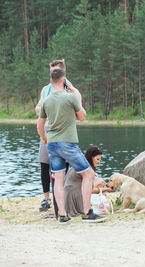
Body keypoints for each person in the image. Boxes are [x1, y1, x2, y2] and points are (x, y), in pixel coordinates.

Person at [37, 68, 105, 224]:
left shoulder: (46, 101)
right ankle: (87, 213)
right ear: (64, 80)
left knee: (58, 180)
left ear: (50, 82)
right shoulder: (71, 97)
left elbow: (39, 126)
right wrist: (76, 93)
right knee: (88, 175)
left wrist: (45, 139)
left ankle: (62, 215)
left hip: (52, 145)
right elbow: (82, 117)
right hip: (67, 144)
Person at [35, 59, 73, 212]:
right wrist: (46, 109)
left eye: (56, 70)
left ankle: (64, 198)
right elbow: (38, 108)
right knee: (44, 164)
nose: (53, 73)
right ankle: (46, 199)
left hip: (64, 131)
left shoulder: (69, 88)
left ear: (63, 72)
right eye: (51, 71)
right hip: (47, 129)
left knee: (65, 166)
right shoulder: (46, 89)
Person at [64, 146, 113, 216]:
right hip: (73, 193)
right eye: (97, 159)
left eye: (100, 159)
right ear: (91, 158)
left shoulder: (83, 163)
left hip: (69, 191)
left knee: (99, 181)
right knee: (100, 181)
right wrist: (105, 189)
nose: (99, 162)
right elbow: (90, 190)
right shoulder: (87, 168)